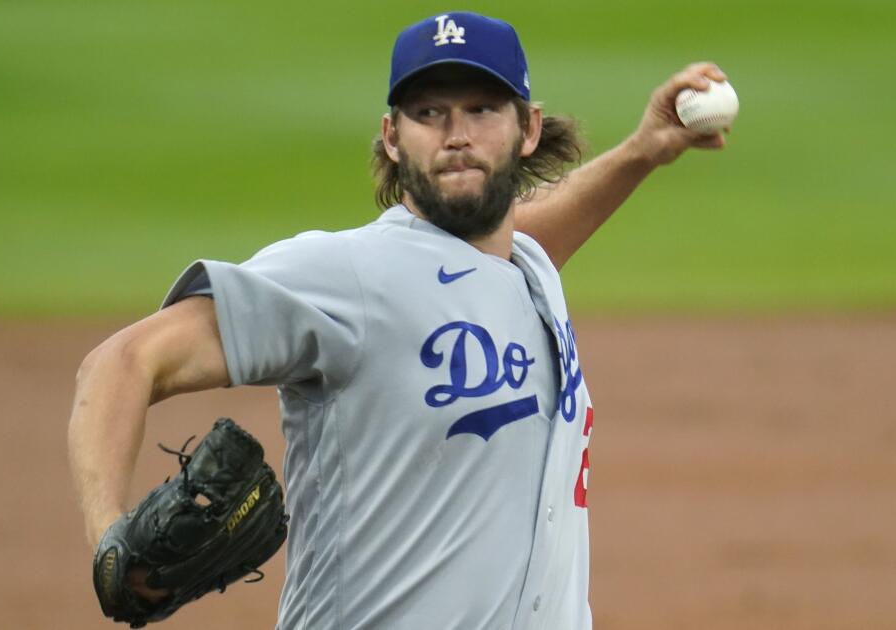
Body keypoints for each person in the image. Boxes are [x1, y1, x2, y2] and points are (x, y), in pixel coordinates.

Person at [68, 11, 727, 630]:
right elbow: (123, 363)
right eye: (429, 112)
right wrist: (109, 544)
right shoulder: (345, 275)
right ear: (392, 135)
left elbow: (497, 254)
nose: (457, 134)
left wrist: (643, 151)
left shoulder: (523, 266)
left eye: (481, 109)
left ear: (528, 128)